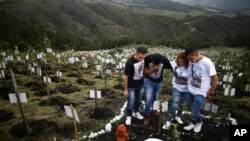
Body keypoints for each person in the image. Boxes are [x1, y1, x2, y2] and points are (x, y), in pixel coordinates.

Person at [183, 47, 218, 133]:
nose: (190, 60)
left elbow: (215, 78)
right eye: (189, 59)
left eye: (191, 58)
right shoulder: (192, 61)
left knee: (195, 111)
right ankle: (192, 122)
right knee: (192, 109)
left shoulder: (207, 63)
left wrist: (212, 92)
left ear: (196, 54)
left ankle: (199, 122)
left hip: (200, 92)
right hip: (190, 90)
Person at [162, 53, 190, 129]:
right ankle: (168, 120)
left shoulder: (190, 66)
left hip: (187, 89)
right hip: (176, 87)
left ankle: (178, 116)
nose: (180, 63)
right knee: (174, 104)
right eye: (179, 61)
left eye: (183, 62)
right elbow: (164, 64)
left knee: (182, 104)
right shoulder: (174, 64)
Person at [143, 53, 172, 125]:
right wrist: (152, 70)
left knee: (155, 97)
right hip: (148, 80)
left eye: (158, 64)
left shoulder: (164, 60)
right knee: (148, 97)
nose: (156, 66)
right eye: (154, 64)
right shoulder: (147, 58)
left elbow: (172, 68)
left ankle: (154, 110)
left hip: (158, 81)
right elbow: (144, 72)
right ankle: (147, 115)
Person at [123, 47, 148, 125]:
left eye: (143, 57)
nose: (142, 59)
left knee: (138, 100)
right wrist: (126, 90)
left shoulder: (143, 60)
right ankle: (129, 116)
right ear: (136, 53)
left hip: (140, 84)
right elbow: (125, 77)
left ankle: (136, 112)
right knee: (131, 102)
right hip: (131, 86)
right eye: (140, 57)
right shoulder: (129, 63)